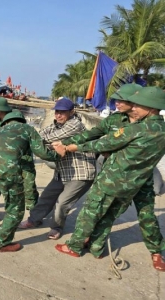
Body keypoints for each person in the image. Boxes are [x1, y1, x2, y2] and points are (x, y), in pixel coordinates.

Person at [54, 83, 165, 271]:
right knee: (110, 214)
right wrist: (68, 142)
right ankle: (97, 246)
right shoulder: (120, 121)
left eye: (130, 102)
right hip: (135, 180)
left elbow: (103, 143)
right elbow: (94, 134)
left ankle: (74, 246)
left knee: (92, 211)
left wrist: (71, 147)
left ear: (151, 107)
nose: (118, 104)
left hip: (118, 179)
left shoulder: (136, 129)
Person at [0, 110, 63, 252]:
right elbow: (42, 153)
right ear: (21, 120)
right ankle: (2, 243)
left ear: (6, 121)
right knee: (15, 210)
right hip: (8, 174)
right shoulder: (28, 129)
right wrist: (58, 154)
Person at [18, 97, 96, 240]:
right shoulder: (55, 125)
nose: (58, 115)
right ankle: (33, 220)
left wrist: (46, 142)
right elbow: (39, 136)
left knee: (62, 203)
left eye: (62, 112)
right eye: (57, 112)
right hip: (63, 171)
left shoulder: (75, 125)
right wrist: (47, 142)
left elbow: (47, 139)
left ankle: (56, 227)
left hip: (80, 173)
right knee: (46, 197)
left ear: (72, 112)